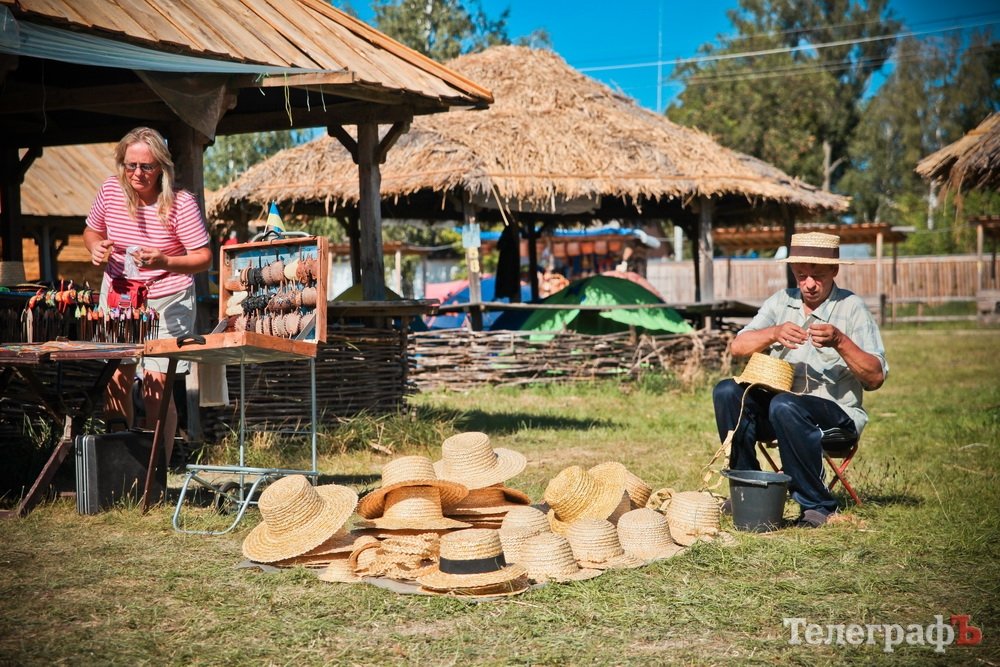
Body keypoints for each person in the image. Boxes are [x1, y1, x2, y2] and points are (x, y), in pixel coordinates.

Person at [712, 232, 887, 527]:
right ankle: (746, 486)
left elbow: (875, 377)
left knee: (784, 404)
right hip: (782, 412)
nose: (808, 283)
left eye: (817, 275)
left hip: (836, 416)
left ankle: (818, 505)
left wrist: (840, 341)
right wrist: (773, 332)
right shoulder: (781, 301)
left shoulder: (851, 308)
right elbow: (737, 347)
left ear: (834, 270)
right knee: (728, 390)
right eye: (801, 274)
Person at [83, 127, 212, 465]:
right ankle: (119, 467)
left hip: (167, 298)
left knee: (157, 387)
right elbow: (91, 230)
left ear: (162, 168)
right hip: (119, 294)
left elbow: (203, 257)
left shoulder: (181, 204)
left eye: (147, 166)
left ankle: (156, 473)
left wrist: (165, 260)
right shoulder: (110, 191)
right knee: (116, 377)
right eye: (130, 165)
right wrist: (96, 248)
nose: (137, 174)